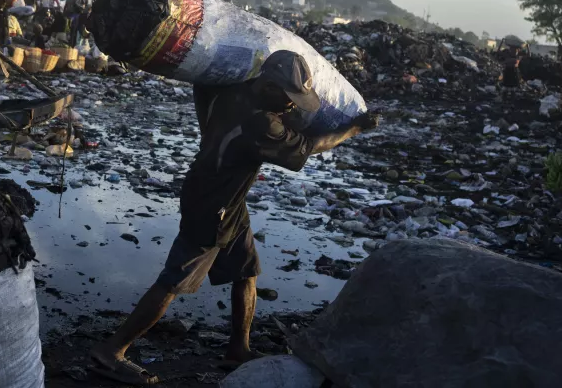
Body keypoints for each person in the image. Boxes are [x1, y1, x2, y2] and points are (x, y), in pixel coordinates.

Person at [90, 51, 380, 385]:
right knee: (174, 281)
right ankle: (112, 351)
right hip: (213, 206)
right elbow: (308, 146)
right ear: (268, 86)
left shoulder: (228, 89)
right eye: (287, 97)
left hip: (224, 198)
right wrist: (353, 128)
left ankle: (238, 349)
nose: (291, 105)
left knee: (246, 271)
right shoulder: (261, 123)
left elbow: (201, 88)